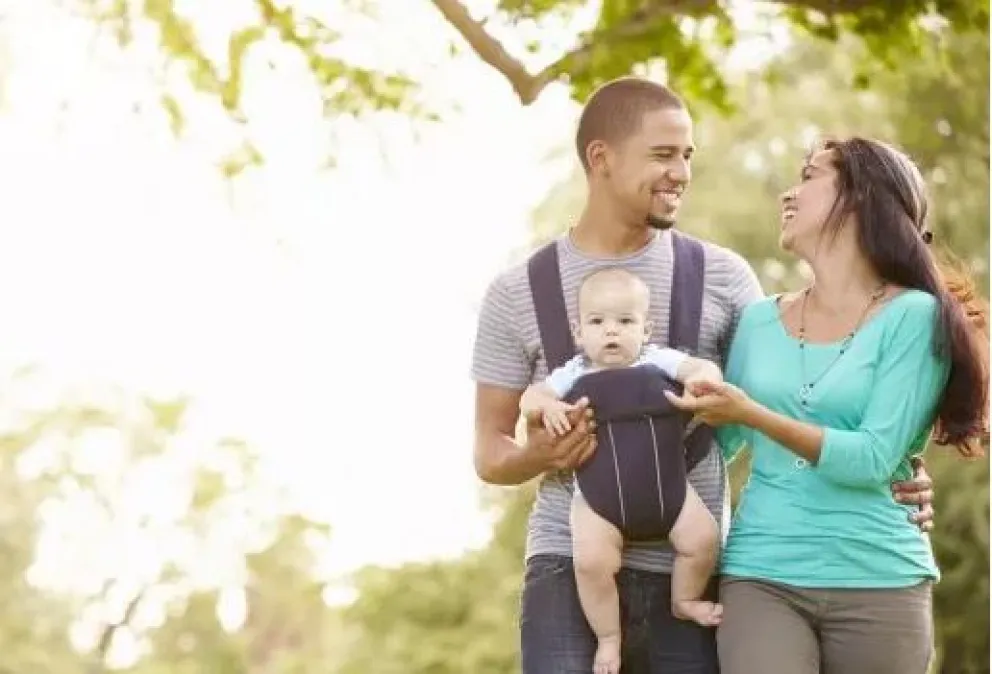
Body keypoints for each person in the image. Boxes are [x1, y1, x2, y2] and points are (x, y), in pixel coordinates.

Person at [470, 77, 936, 674]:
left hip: (694, 571)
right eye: (663, 155)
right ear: (601, 159)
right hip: (571, 564)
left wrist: (898, 464)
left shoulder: (724, 277)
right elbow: (489, 453)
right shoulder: (516, 293)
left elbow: (784, 398)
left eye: (688, 156)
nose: (681, 173)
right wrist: (540, 452)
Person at [666, 137, 988, 674]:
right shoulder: (759, 323)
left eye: (810, 175)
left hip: (880, 579)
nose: (788, 194)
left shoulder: (914, 316)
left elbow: (872, 459)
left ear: (860, 198)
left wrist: (753, 413)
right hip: (761, 574)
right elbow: (714, 448)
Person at [520, 266, 724, 674]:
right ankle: (609, 639)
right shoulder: (573, 373)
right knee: (590, 563)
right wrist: (549, 407)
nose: (611, 332)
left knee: (703, 540)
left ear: (646, 329)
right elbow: (531, 397)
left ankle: (684, 602)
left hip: (671, 494)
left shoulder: (660, 360)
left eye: (625, 321)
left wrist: (703, 381)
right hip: (599, 502)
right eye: (598, 322)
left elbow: (701, 369)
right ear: (580, 332)